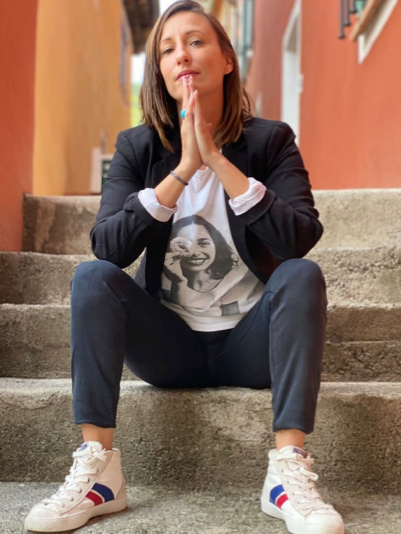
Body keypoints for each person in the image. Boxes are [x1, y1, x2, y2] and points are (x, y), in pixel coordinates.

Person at [25, 2, 344, 533]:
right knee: (91, 278)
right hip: (167, 348)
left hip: (251, 346)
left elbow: (299, 239)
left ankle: (288, 473)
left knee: (301, 276)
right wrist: (184, 170)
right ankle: (100, 473)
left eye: (195, 41)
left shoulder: (271, 141)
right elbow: (108, 247)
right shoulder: (137, 148)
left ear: (226, 60)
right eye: (168, 49)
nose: (182, 55)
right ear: (160, 72)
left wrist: (217, 160)